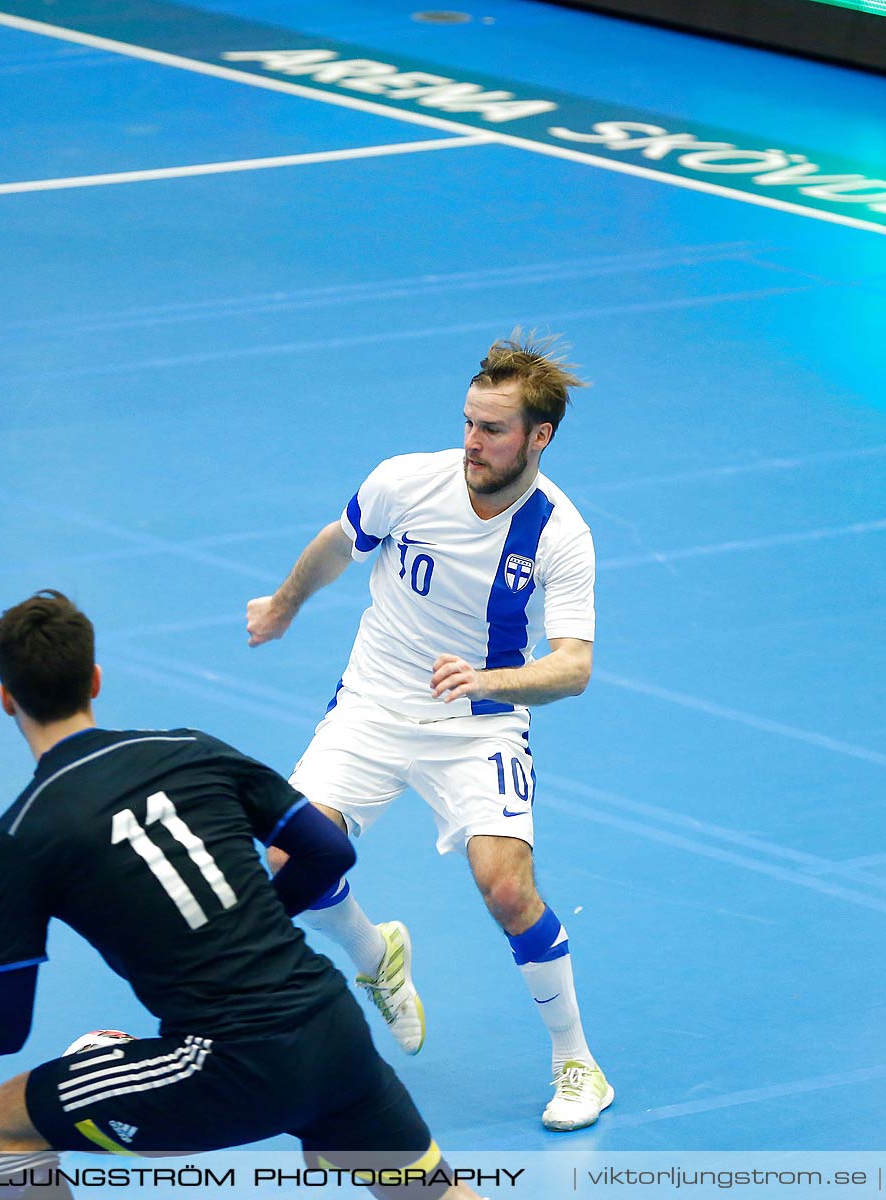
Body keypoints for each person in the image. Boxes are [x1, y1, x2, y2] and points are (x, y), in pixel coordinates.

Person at [0, 590, 485, 1200]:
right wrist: (252, 917)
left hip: (226, 1063)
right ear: (94, 680)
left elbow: (1, 1028)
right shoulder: (190, 749)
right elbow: (331, 851)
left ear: (5, 699)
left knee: (5, 1122)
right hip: (331, 1026)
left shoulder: (23, 835)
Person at [245, 332, 609, 1131]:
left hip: (476, 723)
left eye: (493, 430)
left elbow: (574, 667)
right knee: (285, 863)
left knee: (508, 890)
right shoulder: (406, 481)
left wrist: (489, 679)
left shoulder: (559, 533)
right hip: (371, 705)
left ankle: (577, 1061)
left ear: (538, 437)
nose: (472, 443)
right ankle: (376, 957)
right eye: (469, 423)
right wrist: (283, 605)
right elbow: (338, 545)